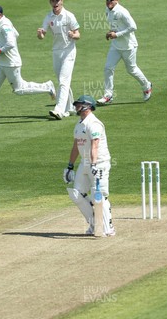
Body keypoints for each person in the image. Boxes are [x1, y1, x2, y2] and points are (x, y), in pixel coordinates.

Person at [0, 5, 56, 123]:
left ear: (0, 15)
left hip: (11, 63)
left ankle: (47, 86)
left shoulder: (4, 25)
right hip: (1, 63)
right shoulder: (3, 23)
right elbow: (16, 34)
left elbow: (10, 43)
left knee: (19, 90)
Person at [63, 95, 115, 236]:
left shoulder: (94, 124)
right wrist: (69, 166)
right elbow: (75, 147)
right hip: (85, 163)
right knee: (76, 194)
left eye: (79, 104)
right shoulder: (79, 125)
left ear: (87, 106)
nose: (76, 106)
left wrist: (93, 164)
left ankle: (108, 227)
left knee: (99, 196)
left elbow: (95, 146)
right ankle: (94, 224)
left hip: (99, 163)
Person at [97, 0, 153, 105]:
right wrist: (110, 32)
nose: (108, 1)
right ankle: (108, 95)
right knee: (108, 68)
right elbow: (115, 26)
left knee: (131, 70)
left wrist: (116, 34)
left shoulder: (122, 12)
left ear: (117, 0)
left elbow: (133, 27)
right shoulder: (107, 10)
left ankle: (146, 85)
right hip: (115, 46)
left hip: (129, 46)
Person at [37, 0, 81, 120]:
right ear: (50, 2)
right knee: (62, 81)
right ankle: (71, 108)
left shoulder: (69, 16)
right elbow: (42, 35)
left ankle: (59, 110)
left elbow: (78, 34)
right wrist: (40, 35)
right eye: (53, 1)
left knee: (63, 80)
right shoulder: (49, 17)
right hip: (56, 51)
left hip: (69, 51)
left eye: (57, 0)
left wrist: (73, 35)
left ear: (62, 1)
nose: (55, 3)